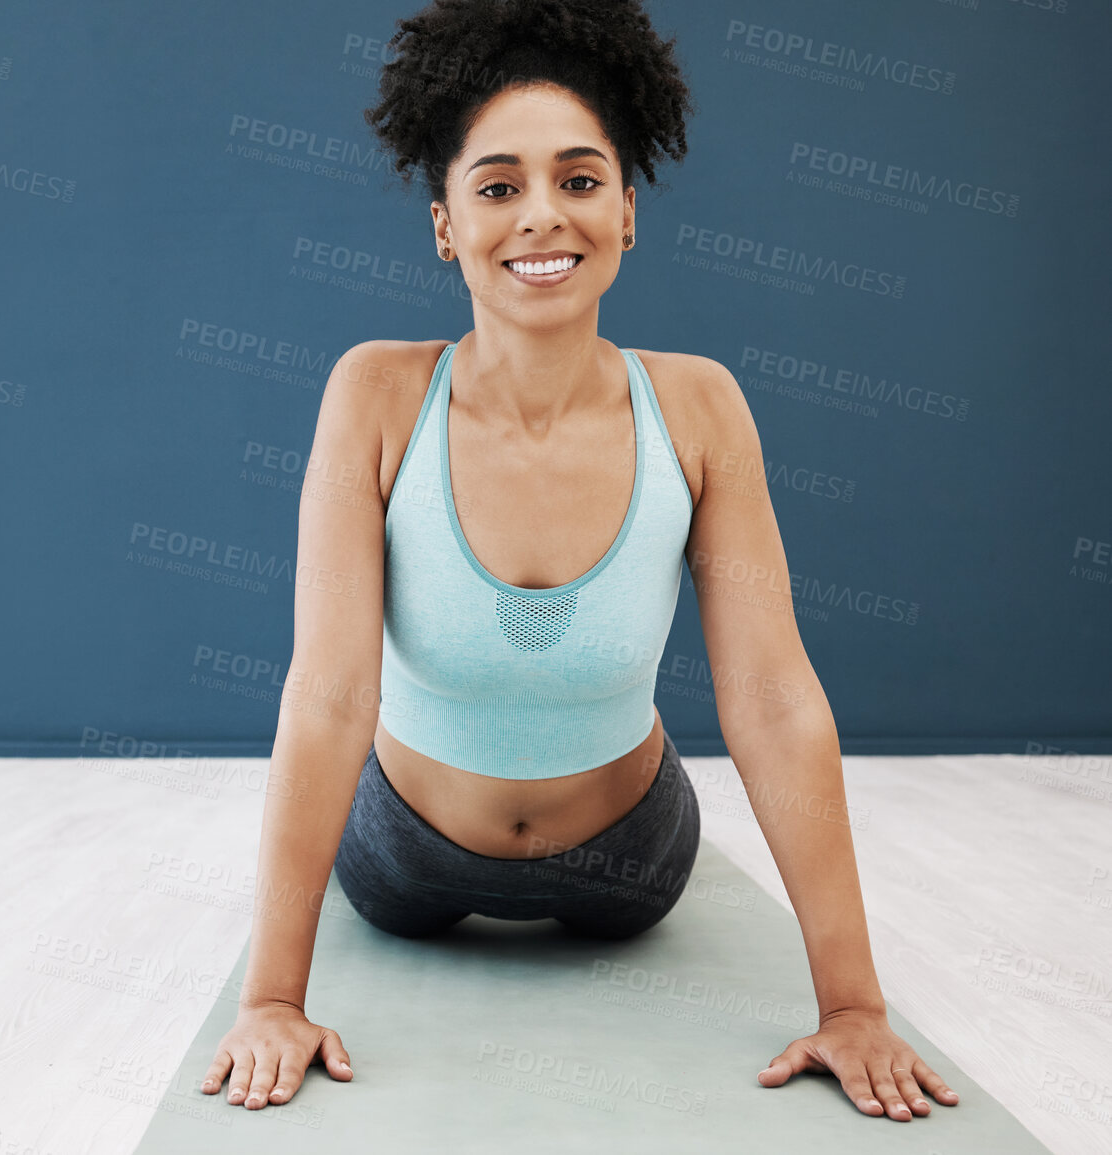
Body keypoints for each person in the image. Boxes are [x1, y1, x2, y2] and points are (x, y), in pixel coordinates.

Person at [200, 0, 961, 1125]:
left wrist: (852, 1006)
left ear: (628, 210)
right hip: (404, 859)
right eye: (499, 186)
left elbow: (771, 696)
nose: (542, 216)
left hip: (630, 865)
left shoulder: (700, 407)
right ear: (446, 224)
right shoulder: (375, 393)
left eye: (581, 179)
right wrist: (272, 996)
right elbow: (328, 693)